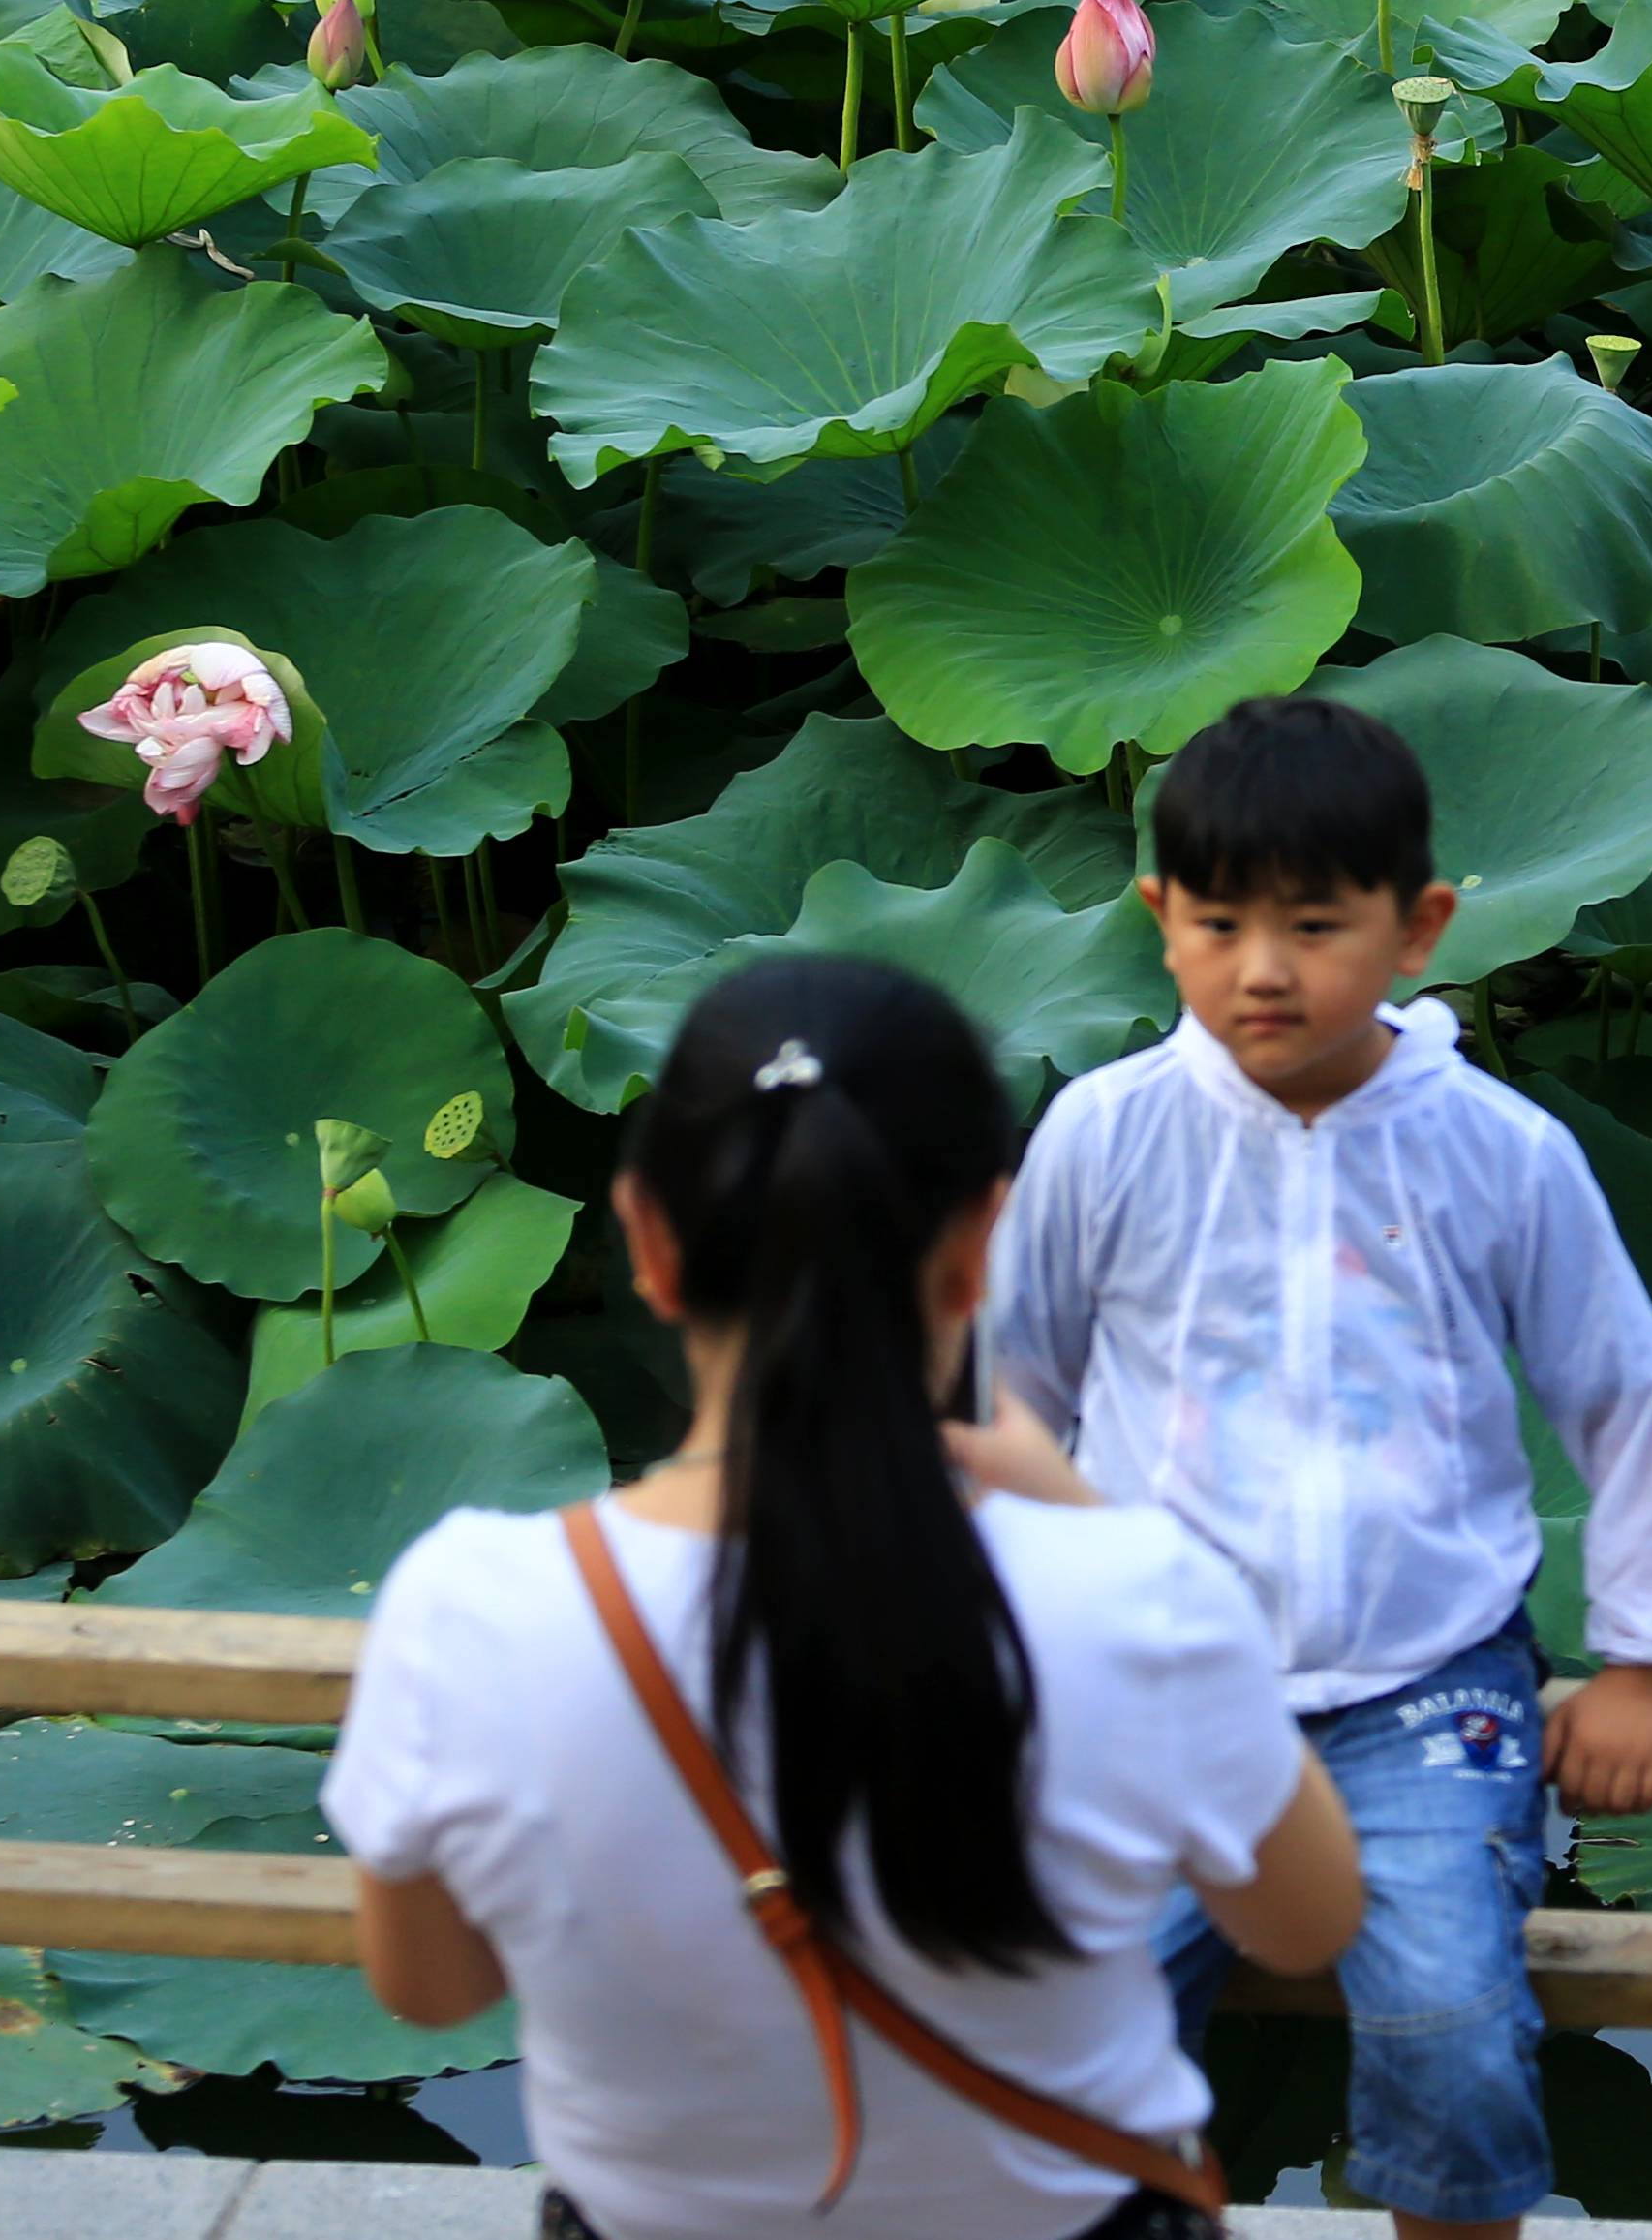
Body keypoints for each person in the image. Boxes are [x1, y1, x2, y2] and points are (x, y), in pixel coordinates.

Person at [328, 954, 1363, 2240]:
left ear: (648, 1240)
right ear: (981, 1242)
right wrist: (1089, 1517)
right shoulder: (1135, 1596)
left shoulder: (467, 1605)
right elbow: (1308, 1920)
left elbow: (427, 1987)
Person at [989, 694, 1652, 2240]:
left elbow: (1620, 1390)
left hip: (1427, 1683)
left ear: (1419, 924)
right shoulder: (1099, 1134)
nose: (1264, 967)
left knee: (1452, 2022)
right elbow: (1015, 1395)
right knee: (1066, 2038)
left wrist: (1646, 1655)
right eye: (1219, 922)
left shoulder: (1498, 1148)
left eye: (1315, 923)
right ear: (1158, 922)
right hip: (1152, 1688)